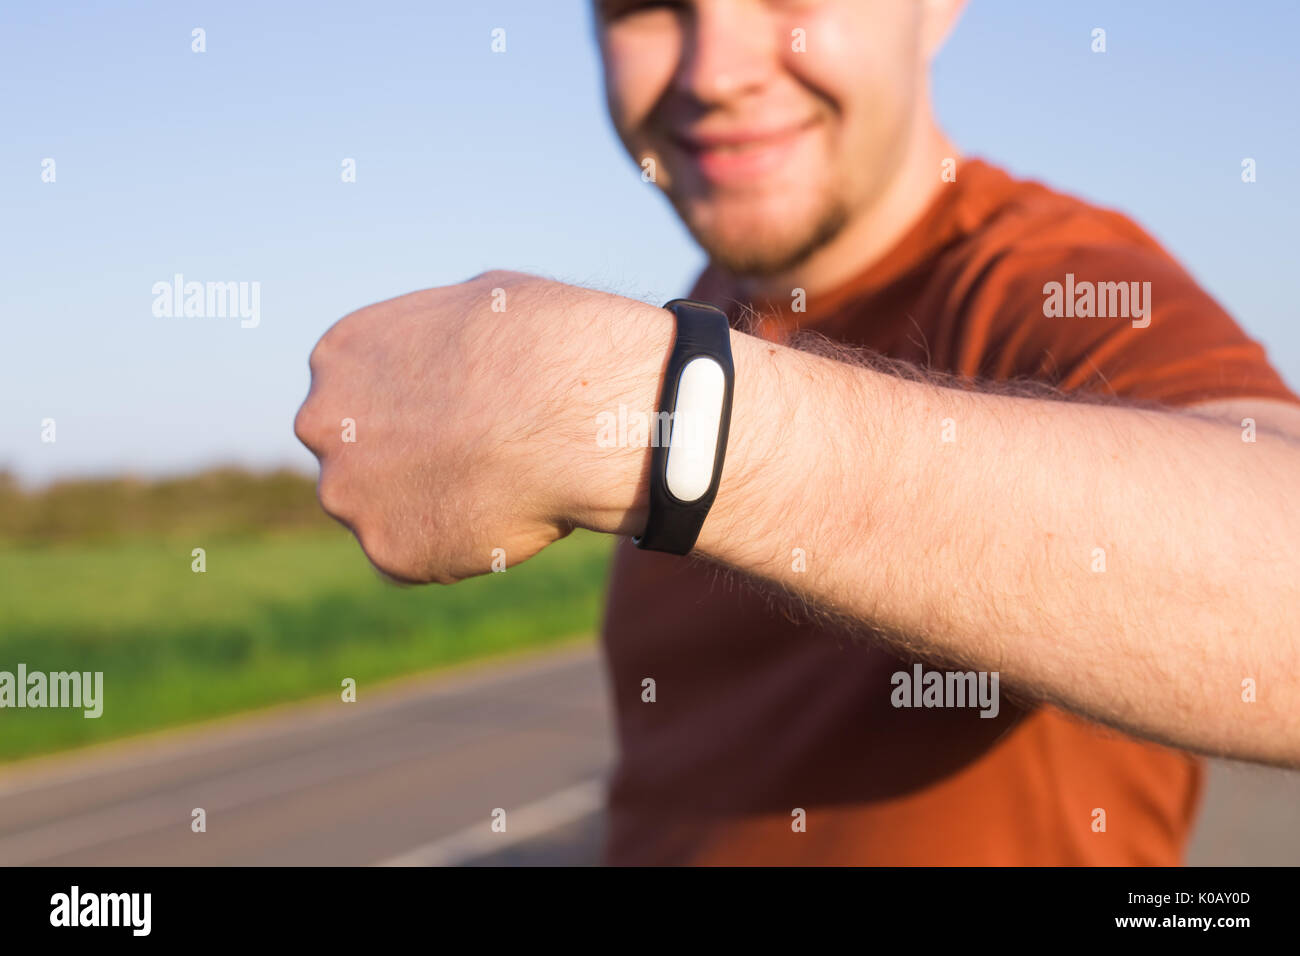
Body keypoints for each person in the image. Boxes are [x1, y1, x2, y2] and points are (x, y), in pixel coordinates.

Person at [293, 0, 1300, 864]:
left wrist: (643, 409)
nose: (714, 71)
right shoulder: (706, 312)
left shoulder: (1050, 278)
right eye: (644, 6)